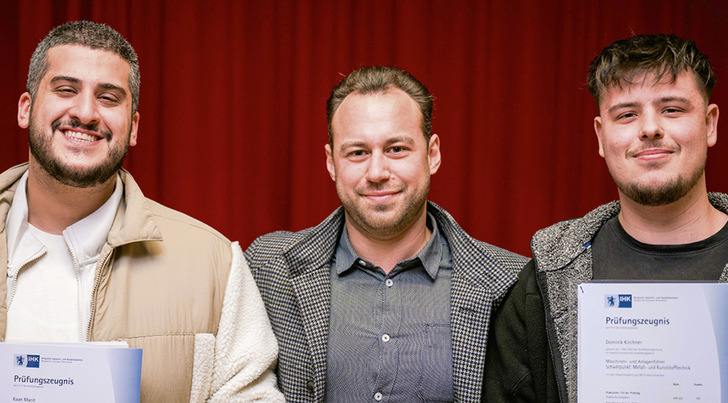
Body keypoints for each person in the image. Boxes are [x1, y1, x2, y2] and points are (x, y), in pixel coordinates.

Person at [1, 21, 283, 402]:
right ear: (26, 108)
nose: (86, 112)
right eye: (66, 90)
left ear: (133, 127)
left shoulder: (214, 264)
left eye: (109, 97)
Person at [246, 65, 527, 402]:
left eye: (396, 149)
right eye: (358, 153)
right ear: (331, 162)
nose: (377, 172)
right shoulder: (269, 269)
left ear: (432, 154)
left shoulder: (512, 283)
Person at [482, 33, 726, 402]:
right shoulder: (545, 280)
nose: (649, 129)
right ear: (600, 136)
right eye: (627, 114)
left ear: (710, 125)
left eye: (672, 109)